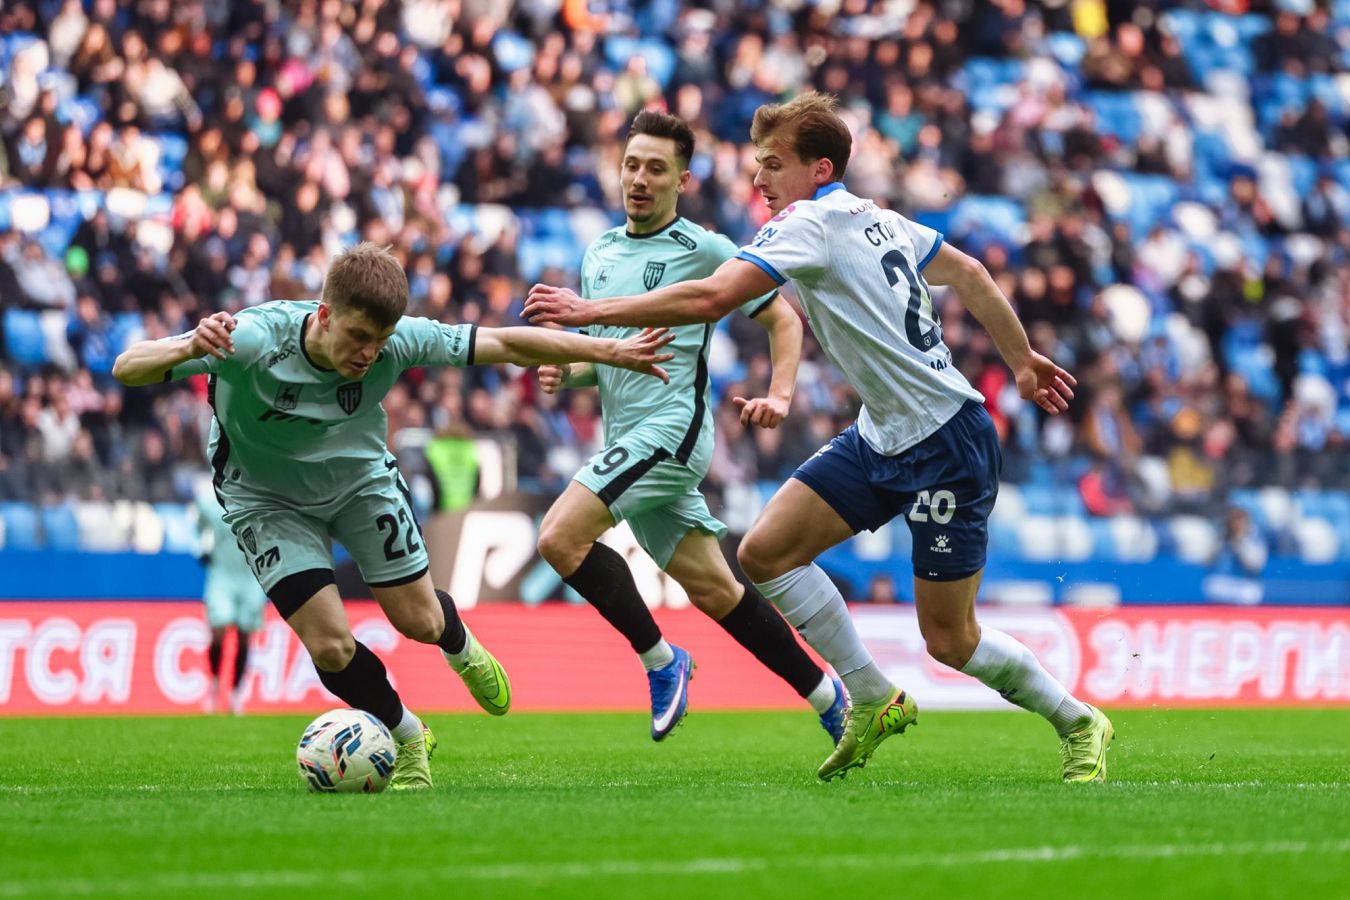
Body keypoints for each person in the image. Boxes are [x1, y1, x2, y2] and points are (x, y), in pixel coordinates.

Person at [526, 93, 1112, 783]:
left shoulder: (807, 222)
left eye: (774, 165)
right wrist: (1019, 360)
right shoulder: (878, 218)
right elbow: (971, 274)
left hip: (946, 443)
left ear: (820, 169)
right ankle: (870, 694)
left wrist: (589, 311)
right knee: (764, 553)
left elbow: (712, 298)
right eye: (757, 165)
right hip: (881, 434)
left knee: (950, 640)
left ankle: (1078, 720)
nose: (759, 180)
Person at [114, 242, 675, 790]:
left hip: (360, 484)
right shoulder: (254, 339)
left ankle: (460, 646)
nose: (369, 354)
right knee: (330, 645)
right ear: (325, 315)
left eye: (380, 340)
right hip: (265, 500)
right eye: (359, 336)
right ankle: (408, 737)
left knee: (420, 621)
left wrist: (610, 352)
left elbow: (504, 343)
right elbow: (126, 367)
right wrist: (191, 346)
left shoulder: (399, 341)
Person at [533, 111, 845, 744]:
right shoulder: (600, 252)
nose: (639, 179)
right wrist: (570, 374)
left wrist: (780, 393)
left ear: (682, 180)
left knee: (559, 538)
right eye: (631, 165)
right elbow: (614, 356)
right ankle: (828, 696)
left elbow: (784, 320)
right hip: (627, 439)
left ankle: (661, 660)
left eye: (656, 169)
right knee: (715, 589)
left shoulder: (705, 250)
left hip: (672, 433)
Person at [191, 477, 269, 715]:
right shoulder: (209, 503)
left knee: (245, 634)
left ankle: (236, 693)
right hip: (222, 575)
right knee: (219, 628)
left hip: (251, 577)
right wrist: (200, 548)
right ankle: (214, 686)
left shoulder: (261, 500)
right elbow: (197, 528)